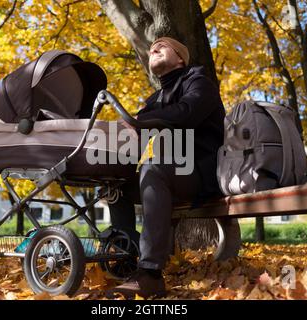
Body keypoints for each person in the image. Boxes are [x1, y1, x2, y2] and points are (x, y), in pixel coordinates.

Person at [106, 37, 226, 299]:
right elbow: (131, 138)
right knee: (114, 183)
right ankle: (128, 258)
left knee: (154, 166)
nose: (154, 48)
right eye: (151, 48)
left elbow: (187, 112)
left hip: (204, 172)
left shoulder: (199, 82)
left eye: (162, 46)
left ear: (181, 58)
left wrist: (140, 121)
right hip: (174, 175)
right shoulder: (156, 99)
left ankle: (149, 275)